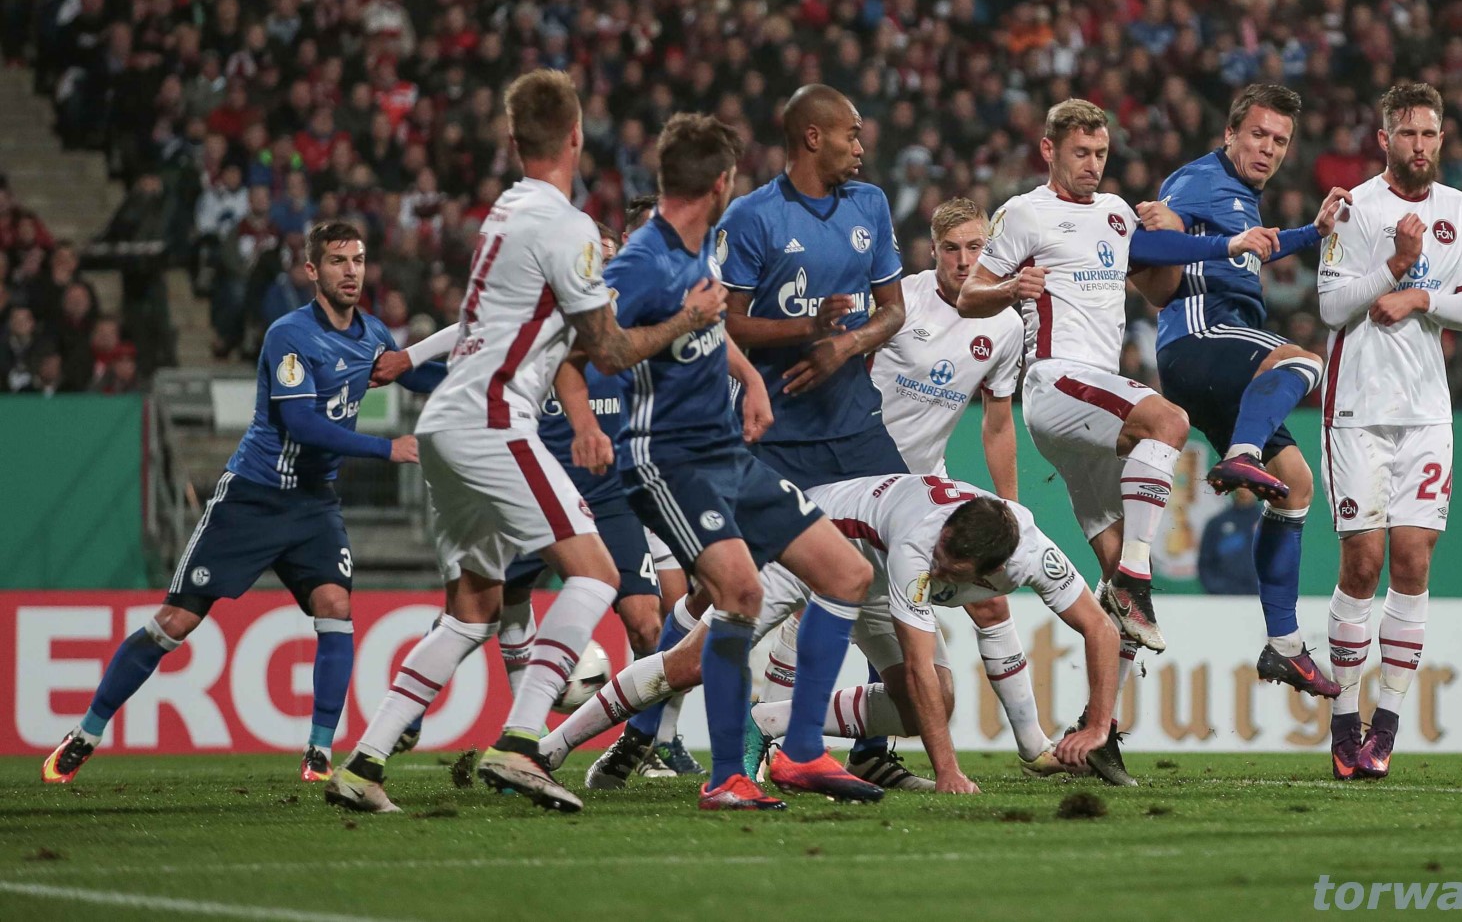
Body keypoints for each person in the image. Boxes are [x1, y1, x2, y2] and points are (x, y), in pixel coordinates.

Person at [324, 71, 720, 815]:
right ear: (577, 136)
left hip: (446, 424)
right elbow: (609, 350)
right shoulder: (569, 228)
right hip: (494, 419)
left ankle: (364, 762)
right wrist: (688, 319)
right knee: (596, 574)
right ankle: (522, 741)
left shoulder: (503, 213)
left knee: (470, 612)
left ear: (512, 142)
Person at [42, 221, 444, 786]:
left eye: (357, 260)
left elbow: (419, 375)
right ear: (312, 271)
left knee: (335, 605)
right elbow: (301, 424)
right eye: (337, 261)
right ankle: (86, 732)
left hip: (313, 505)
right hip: (252, 499)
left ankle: (318, 751)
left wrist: (489, 371)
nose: (350, 271)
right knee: (175, 621)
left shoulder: (372, 334)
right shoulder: (290, 335)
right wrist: (386, 448)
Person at [958, 98, 1280, 780]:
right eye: (1081, 152)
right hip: (1054, 382)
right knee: (1170, 421)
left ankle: (1098, 730)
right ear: (1049, 150)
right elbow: (969, 295)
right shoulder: (1023, 213)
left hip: (1094, 408)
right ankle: (1135, 577)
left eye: (1101, 153)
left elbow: (1159, 287)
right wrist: (1012, 286)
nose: (1093, 164)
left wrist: (1170, 231)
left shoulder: (1115, 213)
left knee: (1114, 580)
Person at [535, 474, 1121, 796]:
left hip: (867, 574)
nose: (939, 567)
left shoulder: (1029, 554)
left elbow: (1098, 626)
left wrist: (1097, 726)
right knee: (692, 664)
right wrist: (948, 772)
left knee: (928, 706)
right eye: (940, 554)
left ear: (991, 572)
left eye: (952, 569)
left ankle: (768, 722)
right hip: (802, 542)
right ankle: (548, 749)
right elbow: (917, 662)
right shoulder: (920, 547)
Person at [754, 197, 1068, 781]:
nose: (964, 260)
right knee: (823, 600)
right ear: (932, 251)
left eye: (976, 248)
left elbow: (997, 422)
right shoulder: (901, 301)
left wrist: (1009, 507)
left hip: (927, 484)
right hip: (860, 478)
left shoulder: (1004, 323)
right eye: (951, 249)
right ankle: (771, 739)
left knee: (986, 597)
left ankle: (1032, 747)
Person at [699, 83, 922, 790]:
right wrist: (807, 331)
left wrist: (845, 344)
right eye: (851, 133)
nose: (862, 145)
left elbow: (894, 310)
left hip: (858, 430)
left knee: (890, 575)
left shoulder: (870, 205)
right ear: (813, 137)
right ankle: (662, 734)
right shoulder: (753, 217)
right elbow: (723, 323)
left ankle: (864, 745)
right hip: (776, 436)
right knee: (739, 597)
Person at [1317, 83, 1462, 779]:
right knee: (1362, 563)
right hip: (1357, 409)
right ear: (1384, 138)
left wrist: (1419, 294)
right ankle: (1343, 719)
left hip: (1426, 411)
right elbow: (1331, 306)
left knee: (1413, 561)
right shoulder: (1353, 207)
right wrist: (1392, 266)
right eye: (1407, 133)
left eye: (1429, 134)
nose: (1419, 145)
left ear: (1441, 139)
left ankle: (1384, 727)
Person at [1143, 84, 1342, 696]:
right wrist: (1223, 243)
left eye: (1279, 141)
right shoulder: (1198, 180)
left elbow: (1253, 250)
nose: (1268, 149)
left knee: (1297, 486)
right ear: (1230, 133)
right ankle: (1242, 452)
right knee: (1303, 360)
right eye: (1258, 134)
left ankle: (1284, 646)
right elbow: (1145, 245)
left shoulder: (1242, 197)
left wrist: (1313, 232)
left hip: (1222, 355)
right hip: (1200, 336)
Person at [1197, 490, 1263, 595]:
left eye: (1250, 485)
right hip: (1225, 597)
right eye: (1241, 484)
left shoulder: (1270, 522)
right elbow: (1205, 563)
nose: (1245, 489)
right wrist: (1216, 589)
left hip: (1260, 597)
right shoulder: (1217, 523)